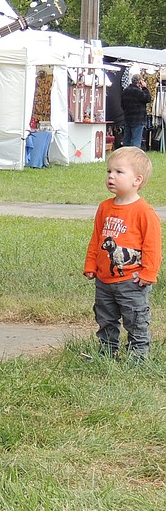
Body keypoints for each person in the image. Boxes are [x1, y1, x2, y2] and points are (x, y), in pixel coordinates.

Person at [84, 146, 159, 359]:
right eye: (109, 171)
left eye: (119, 172)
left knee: (135, 318)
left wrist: (148, 273)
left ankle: (138, 354)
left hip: (132, 281)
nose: (111, 176)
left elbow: (153, 246)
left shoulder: (144, 212)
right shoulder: (104, 207)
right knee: (105, 317)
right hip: (104, 281)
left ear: (137, 180)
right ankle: (108, 350)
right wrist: (91, 265)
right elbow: (97, 239)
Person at [122, 75, 151, 149]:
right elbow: (148, 98)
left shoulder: (125, 91)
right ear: (139, 82)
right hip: (138, 119)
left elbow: (122, 105)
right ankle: (134, 157)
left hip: (127, 118)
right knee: (136, 141)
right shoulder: (139, 91)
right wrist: (144, 87)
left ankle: (125, 156)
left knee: (127, 140)